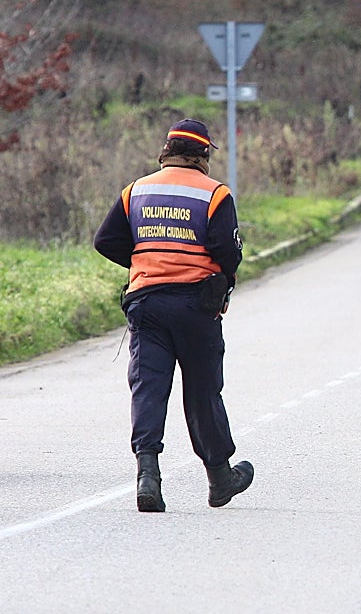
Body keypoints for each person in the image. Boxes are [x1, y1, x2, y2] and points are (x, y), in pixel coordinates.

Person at [94, 119, 254, 512]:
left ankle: (148, 475)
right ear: (203, 155)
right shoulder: (215, 194)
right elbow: (227, 252)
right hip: (196, 307)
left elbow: (106, 240)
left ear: (166, 151)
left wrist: (146, 263)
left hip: (147, 304)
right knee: (202, 390)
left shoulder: (137, 190)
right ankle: (219, 478)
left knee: (149, 386)